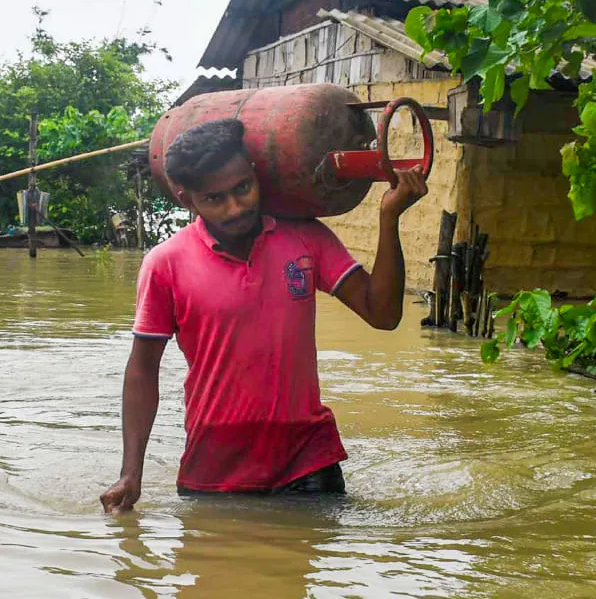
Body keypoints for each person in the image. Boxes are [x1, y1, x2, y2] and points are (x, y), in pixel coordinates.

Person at [100, 118, 427, 512]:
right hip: (214, 465)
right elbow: (142, 371)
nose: (236, 207)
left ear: (255, 174)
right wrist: (130, 473)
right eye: (215, 198)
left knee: (301, 571)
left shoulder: (306, 238)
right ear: (188, 201)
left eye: (242, 188)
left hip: (308, 459)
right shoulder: (165, 264)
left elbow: (384, 314)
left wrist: (389, 219)